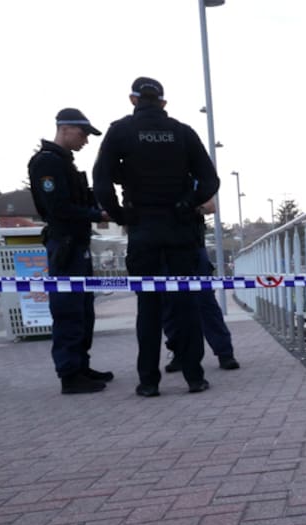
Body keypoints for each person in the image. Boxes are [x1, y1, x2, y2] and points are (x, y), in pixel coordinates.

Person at [93, 76, 219, 397]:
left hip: (143, 230)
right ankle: (194, 377)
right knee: (186, 305)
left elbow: (102, 183)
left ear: (133, 100)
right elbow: (210, 179)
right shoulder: (182, 132)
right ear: (163, 103)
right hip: (180, 230)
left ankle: (148, 381)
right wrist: (188, 203)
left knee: (148, 307)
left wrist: (123, 216)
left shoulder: (120, 132)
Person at [27, 108, 113, 394]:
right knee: (68, 310)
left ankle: (80, 365)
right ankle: (69, 374)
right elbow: (58, 207)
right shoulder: (47, 163)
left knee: (84, 310)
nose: (86, 140)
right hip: (65, 245)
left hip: (76, 244)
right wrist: (96, 215)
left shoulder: (63, 162)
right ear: (64, 129)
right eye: (82, 133)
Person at [163, 197, 239, 373]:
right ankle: (179, 353)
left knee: (205, 302)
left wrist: (186, 205)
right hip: (163, 247)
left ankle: (224, 353)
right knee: (169, 304)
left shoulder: (191, 176)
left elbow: (210, 206)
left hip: (192, 245)